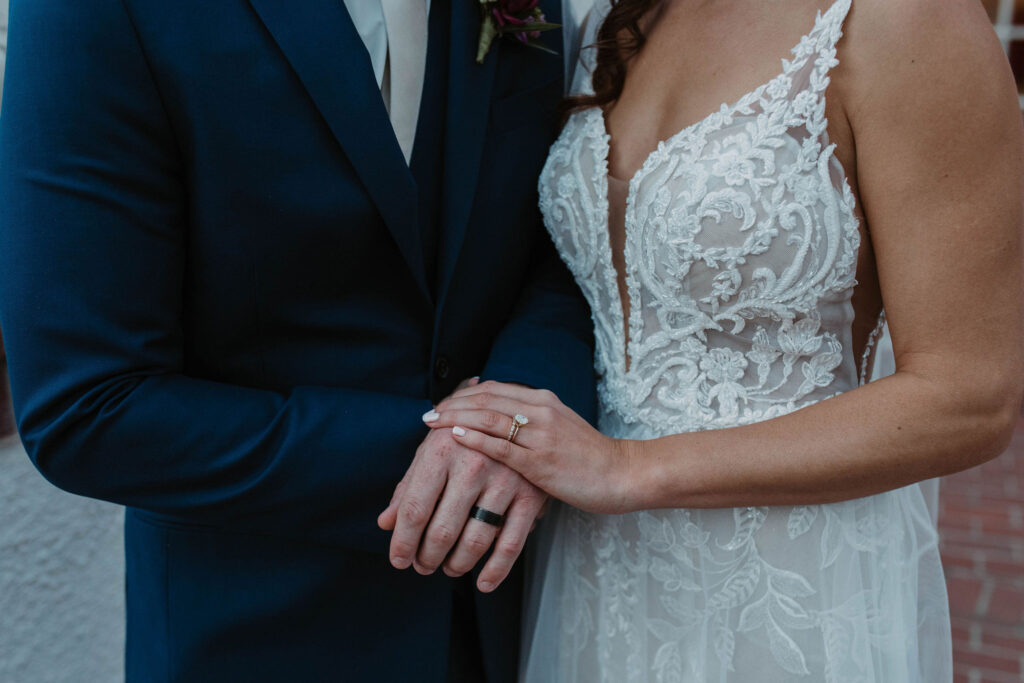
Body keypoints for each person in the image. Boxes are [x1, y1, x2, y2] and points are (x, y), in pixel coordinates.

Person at [408, 0, 1024, 680]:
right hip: (593, 567)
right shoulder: (625, 15)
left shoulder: (908, 21)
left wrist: (628, 468)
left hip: (782, 582)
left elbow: (970, 399)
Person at [0, 1, 596, 681]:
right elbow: (86, 407)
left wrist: (531, 401)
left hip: (523, 621)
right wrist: (480, 446)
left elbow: (566, 237)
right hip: (258, 636)